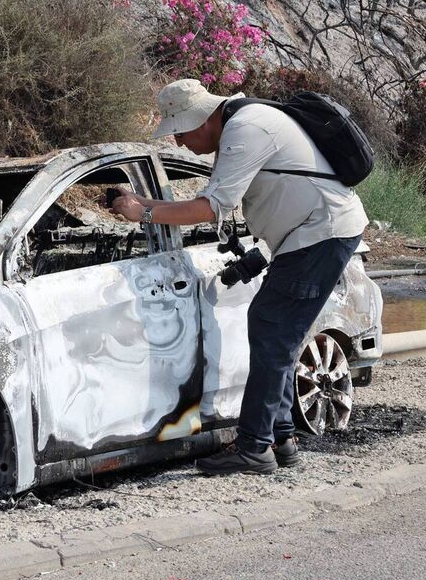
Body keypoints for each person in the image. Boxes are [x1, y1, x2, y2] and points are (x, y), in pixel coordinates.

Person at [107, 78, 368, 474]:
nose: (178, 143)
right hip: (308, 235)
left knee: (273, 329)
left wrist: (143, 214)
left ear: (202, 118)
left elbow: (211, 207)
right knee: (270, 328)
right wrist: (143, 202)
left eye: (179, 131)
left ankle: (253, 447)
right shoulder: (245, 121)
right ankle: (280, 437)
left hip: (321, 233)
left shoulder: (247, 128)